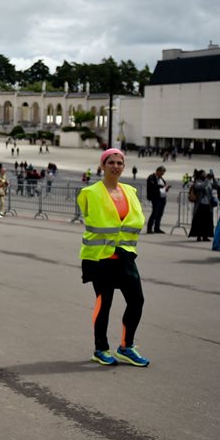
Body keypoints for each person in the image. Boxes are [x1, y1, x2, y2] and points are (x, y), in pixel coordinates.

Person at [77, 149, 150, 367]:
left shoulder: (130, 191)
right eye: (111, 162)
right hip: (100, 258)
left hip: (125, 256)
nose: (115, 166)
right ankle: (101, 349)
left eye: (119, 162)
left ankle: (126, 347)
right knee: (104, 303)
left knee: (137, 300)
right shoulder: (90, 193)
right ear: (102, 165)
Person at [187, 169, 217, 242]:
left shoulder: (208, 182)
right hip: (200, 205)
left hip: (208, 205)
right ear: (200, 175)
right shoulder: (197, 182)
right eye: (203, 174)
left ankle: (205, 236)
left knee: (207, 221)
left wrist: (213, 178)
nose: (205, 175)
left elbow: (216, 186)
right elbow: (201, 187)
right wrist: (207, 179)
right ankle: (199, 236)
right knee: (199, 221)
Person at [145, 166, 167, 234]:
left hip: (162, 197)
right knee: (154, 213)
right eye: (161, 173)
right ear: (158, 171)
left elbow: (163, 185)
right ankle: (149, 228)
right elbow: (153, 186)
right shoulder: (151, 177)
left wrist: (166, 188)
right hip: (155, 198)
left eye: (163, 174)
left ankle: (157, 228)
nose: (162, 175)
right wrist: (161, 186)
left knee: (160, 214)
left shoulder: (161, 179)